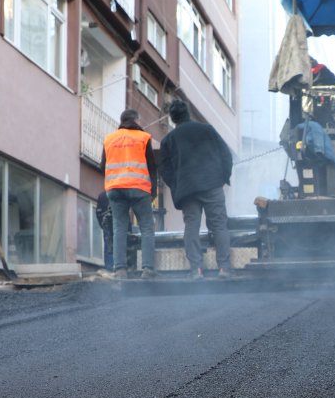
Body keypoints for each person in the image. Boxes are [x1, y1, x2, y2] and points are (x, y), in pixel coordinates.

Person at [158, 99, 234, 280]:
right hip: (212, 184)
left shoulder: (169, 139)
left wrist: (176, 185)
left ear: (173, 119)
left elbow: (164, 167)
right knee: (219, 225)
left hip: (187, 189)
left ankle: (196, 270)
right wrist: (223, 177)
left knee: (191, 226)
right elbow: (226, 154)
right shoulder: (206, 130)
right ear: (188, 113)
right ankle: (224, 268)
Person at [99, 109, 158, 279]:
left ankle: (120, 270)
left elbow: (103, 165)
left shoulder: (109, 139)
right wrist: (152, 191)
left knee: (119, 228)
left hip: (115, 188)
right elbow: (152, 167)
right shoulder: (143, 137)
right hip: (139, 188)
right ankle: (147, 268)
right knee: (146, 227)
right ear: (136, 119)